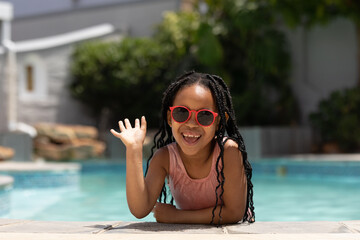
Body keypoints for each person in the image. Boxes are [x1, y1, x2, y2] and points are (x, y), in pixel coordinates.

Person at [110, 71, 255, 225]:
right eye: (181, 112)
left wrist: (177, 216)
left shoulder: (228, 152)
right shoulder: (164, 158)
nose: (191, 123)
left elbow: (234, 213)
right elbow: (139, 210)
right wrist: (134, 150)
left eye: (204, 115)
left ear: (219, 122)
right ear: (170, 118)